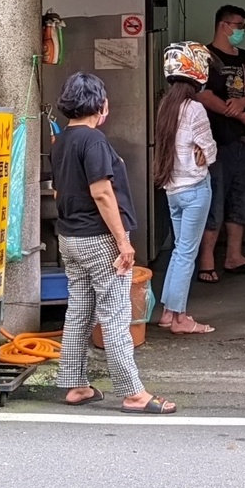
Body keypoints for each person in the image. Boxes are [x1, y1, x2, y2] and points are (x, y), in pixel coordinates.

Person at [52, 72, 175, 414]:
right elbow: (102, 193)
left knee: (79, 311)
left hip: (69, 237)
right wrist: (123, 242)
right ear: (100, 104)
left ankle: (75, 385)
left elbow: (62, 190)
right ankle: (133, 392)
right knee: (115, 315)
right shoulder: (94, 142)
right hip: (98, 240)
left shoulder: (61, 141)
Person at [196, 4, 245, 282]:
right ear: (223, 25)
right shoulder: (204, 56)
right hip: (214, 142)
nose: (242, 31)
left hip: (242, 141)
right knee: (213, 200)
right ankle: (206, 262)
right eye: (239, 26)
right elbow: (202, 94)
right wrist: (240, 114)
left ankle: (234, 256)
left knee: (242, 200)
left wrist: (243, 103)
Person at [152, 42, 217, 335]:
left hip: (172, 190)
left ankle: (167, 312)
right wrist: (205, 152)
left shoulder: (166, 106)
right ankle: (179, 318)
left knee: (180, 251)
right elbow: (210, 150)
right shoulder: (195, 109)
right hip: (195, 189)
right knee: (186, 253)